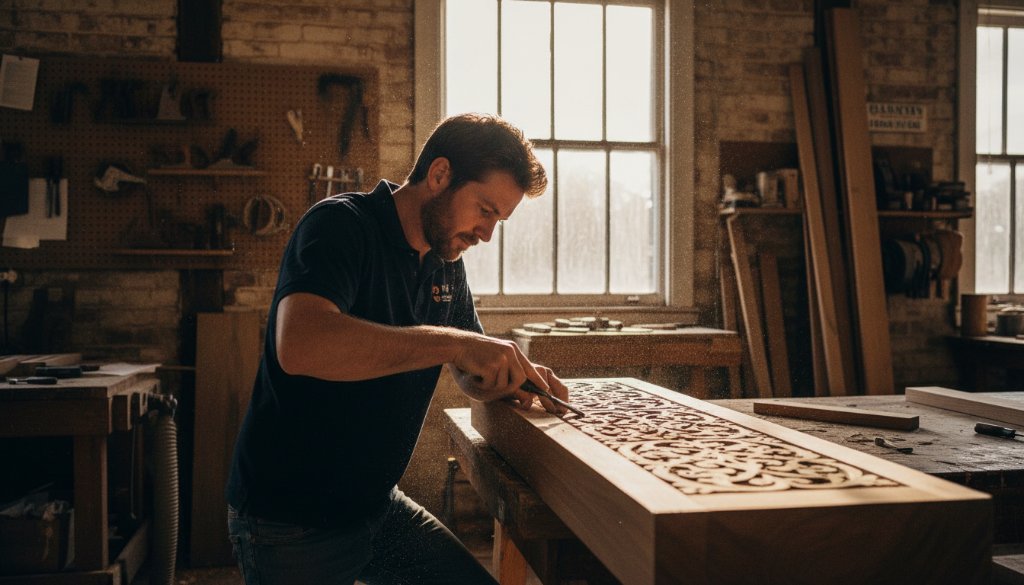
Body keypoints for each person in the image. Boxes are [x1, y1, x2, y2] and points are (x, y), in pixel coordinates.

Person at [226, 113, 570, 585]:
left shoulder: (446, 259)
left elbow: (468, 367)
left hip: (374, 507)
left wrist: (509, 376)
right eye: (485, 210)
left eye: (499, 221)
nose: (487, 234)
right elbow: (300, 345)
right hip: (291, 520)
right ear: (440, 175)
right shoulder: (340, 226)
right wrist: (456, 344)